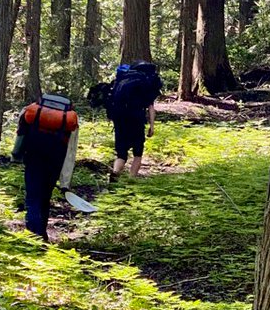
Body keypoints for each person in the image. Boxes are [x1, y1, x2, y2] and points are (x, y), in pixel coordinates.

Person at [12, 92, 79, 239]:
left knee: (33, 197)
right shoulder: (69, 120)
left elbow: (21, 134)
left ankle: (33, 236)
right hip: (56, 161)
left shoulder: (31, 112)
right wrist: (65, 182)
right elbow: (71, 152)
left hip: (33, 157)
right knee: (45, 197)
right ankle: (41, 234)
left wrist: (16, 154)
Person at [88, 62, 161, 180]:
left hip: (120, 119)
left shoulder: (121, 80)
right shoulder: (145, 84)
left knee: (121, 154)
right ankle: (131, 180)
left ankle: (115, 173)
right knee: (138, 153)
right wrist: (152, 126)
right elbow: (151, 108)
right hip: (137, 120)